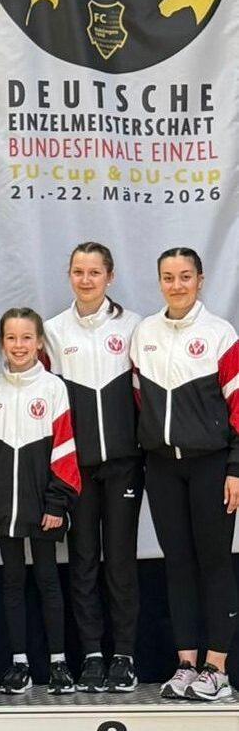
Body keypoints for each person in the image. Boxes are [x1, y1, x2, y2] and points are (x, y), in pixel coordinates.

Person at [132, 248, 239, 701]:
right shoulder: (145, 333)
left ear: (200, 280)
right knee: (177, 564)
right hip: (162, 468)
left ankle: (217, 670)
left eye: (185, 277)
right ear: (159, 281)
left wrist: (235, 468)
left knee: (214, 563)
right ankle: (186, 665)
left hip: (212, 465)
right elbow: (140, 400)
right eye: (168, 277)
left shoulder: (220, 334)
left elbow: (238, 404)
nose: (176, 285)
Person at [0, 309, 81, 695]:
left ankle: (59, 663)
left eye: (27, 338)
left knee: (48, 581)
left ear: (39, 342)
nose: (19, 345)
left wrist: (56, 504)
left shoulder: (53, 388)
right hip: (2, 507)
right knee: (12, 582)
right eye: (11, 338)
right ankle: (19, 664)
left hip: (43, 508)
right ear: (2, 343)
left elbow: (65, 449)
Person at [44, 242, 142, 692]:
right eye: (78, 272)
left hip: (124, 466)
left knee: (120, 561)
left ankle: (124, 655)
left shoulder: (134, 326)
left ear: (110, 276)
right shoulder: (53, 331)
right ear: (69, 275)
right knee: (83, 561)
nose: (86, 280)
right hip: (77, 471)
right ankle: (92, 655)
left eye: (95, 272)